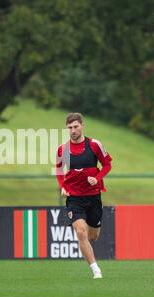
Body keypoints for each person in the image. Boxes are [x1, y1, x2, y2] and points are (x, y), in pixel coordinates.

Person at [56, 113, 112, 279]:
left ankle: (86, 246)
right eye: (69, 128)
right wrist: (63, 186)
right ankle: (96, 270)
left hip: (94, 196)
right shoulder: (63, 149)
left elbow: (107, 164)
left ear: (82, 126)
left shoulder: (95, 145)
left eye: (75, 127)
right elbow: (59, 170)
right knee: (80, 231)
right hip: (74, 198)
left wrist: (97, 178)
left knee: (92, 235)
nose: (72, 130)